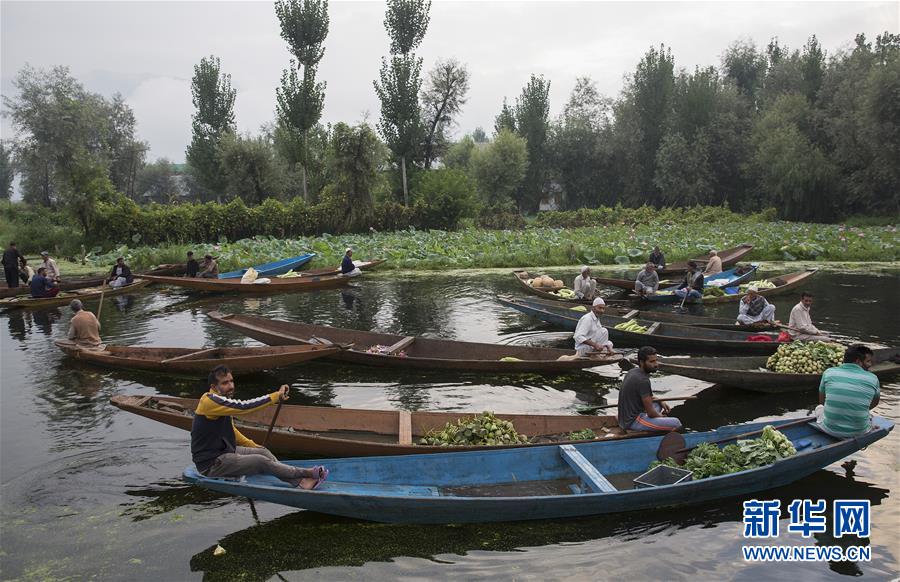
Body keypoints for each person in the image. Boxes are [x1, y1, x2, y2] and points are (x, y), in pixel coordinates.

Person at [191, 365, 328, 489]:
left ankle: (298, 480)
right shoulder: (210, 402)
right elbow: (244, 407)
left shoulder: (222, 401)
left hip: (225, 452)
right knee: (260, 462)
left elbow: (232, 430)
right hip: (211, 464)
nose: (231, 386)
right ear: (214, 386)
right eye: (225, 383)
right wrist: (276, 396)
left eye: (231, 381)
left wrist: (253, 445)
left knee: (263, 452)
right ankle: (305, 474)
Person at [816, 344, 880, 438]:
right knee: (868, 414)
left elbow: (822, 402)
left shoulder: (828, 372)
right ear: (858, 361)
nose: (870, 365)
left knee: (819, 408)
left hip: (829, 429)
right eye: (868, 361)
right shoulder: (873, 378)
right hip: (859, 431)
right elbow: (875, 402)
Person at [618, 346, 682, 432]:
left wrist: (661, 401)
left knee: (658, 403)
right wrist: (661, 417)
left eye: (656, 360)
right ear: (642, 362)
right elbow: (651, 413)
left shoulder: (632, 371)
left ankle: (656, 422)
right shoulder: (643, 380)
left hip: (628, 416)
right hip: (633, 421)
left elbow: (648, 397)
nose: (656, 364)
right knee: (676, 423)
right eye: (651, 361)